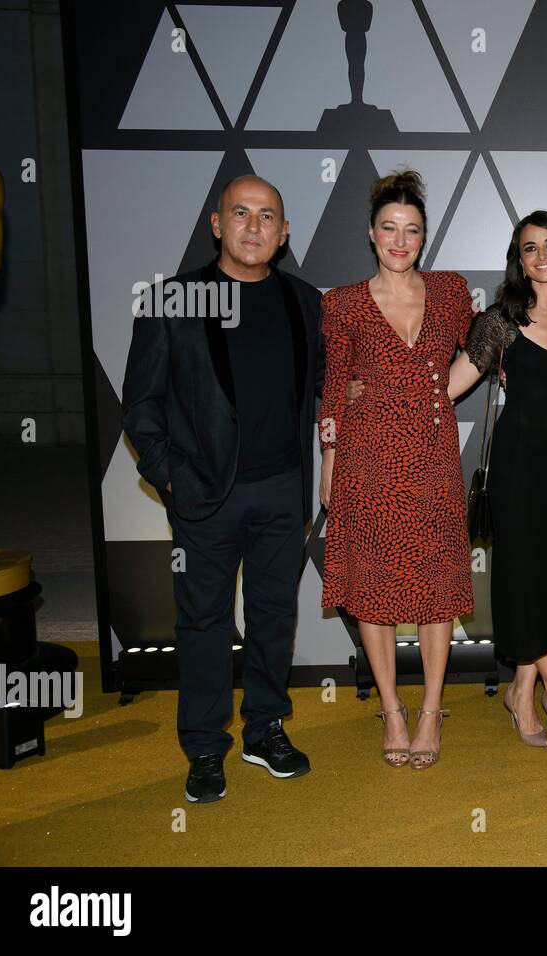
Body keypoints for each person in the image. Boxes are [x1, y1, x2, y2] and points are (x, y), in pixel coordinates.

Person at [122, 175, 322, 804]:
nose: (255, 226)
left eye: (268, 216)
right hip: (205, 498)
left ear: (284, 233)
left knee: (272, 617)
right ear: (217, 224)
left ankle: (265, 729)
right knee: (204, 623)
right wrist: (172, 477)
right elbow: (140, 407)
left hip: (283, 494)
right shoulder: (172, 302)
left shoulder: (304, 303)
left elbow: (324, 393)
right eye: (242, 213)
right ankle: (206, 746)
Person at [317, 169, 473, 770]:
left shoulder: (452, 292)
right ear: (371, 235)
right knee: (376, 591)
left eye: (412, 230)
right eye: (390, 229)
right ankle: (392, 709)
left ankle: (431, 709)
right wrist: (329, 461)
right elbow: (333, 391)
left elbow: (487, 345)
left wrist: (445, 389)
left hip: (433, 456)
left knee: (436, 589)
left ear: (424, 235)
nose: (400, 240)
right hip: (367, 458)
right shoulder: (345, 303)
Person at [451, 211, 547, 747]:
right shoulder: (501, 320)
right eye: (529, 248)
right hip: (519, 469)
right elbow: (448, 388)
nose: (541, 256)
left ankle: (522, 689)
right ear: (518, 260)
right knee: (525, 578)